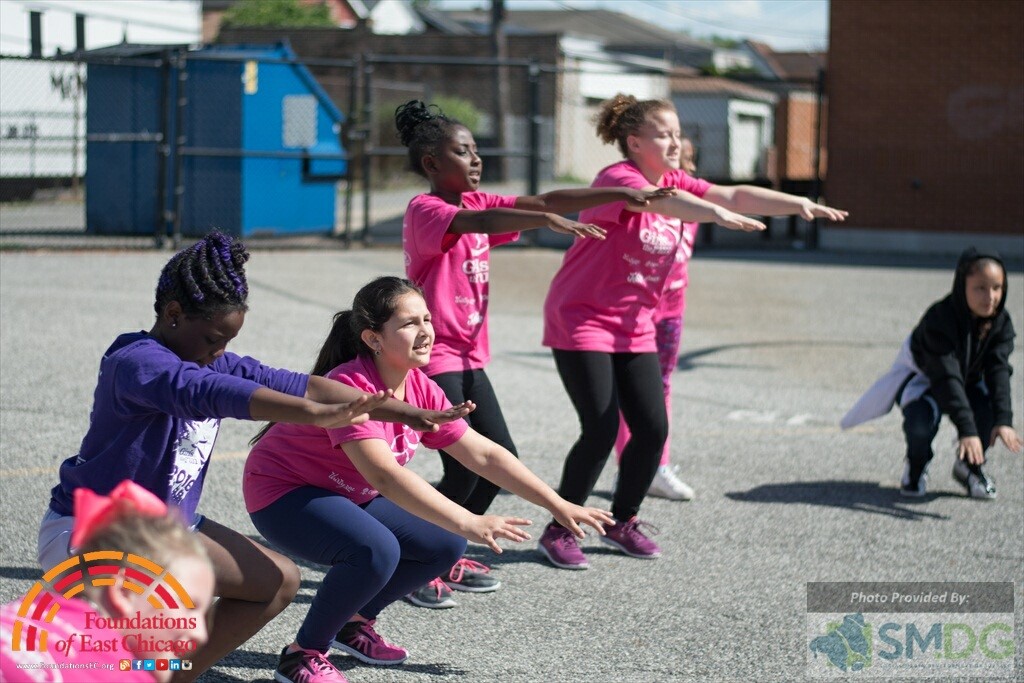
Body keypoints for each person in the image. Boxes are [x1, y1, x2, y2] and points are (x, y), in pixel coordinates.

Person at [36, 231, 470, 681]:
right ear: (172, 314)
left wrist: (406, 411)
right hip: (91, 531)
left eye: (227, 340)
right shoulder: (137, 362)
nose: (220, 351)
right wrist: (317, 416)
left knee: (277, 582)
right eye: (212, 338)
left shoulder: (208, 359)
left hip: (163, 531)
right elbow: (213, 393)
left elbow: (305, 383)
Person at [242, 276, 613, 683]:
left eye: (427, 319)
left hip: (344, 491)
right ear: (373, 338)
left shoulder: (422, 389)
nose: (426, 332)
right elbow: (384, 475)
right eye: (409, 323)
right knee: (375, 550)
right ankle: (302, 655)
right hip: (283, 491)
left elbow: (484, 453)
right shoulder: (352, 386)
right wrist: (469, 520)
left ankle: (353, 624)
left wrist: (556, 504)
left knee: (443, 544)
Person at [540, 93, 848, 569]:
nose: (675, 142)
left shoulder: (676, 181)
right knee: (600, 430)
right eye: (664, 134)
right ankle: (561, 528)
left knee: (652, 428)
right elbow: (664, 202)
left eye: (678, 133)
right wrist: (712, 213)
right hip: (582, 317)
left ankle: (623, 520)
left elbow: (732, 194)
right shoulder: (616, 180)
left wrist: (797, 203)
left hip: (635, 325)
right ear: (634, 141)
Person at [394, 99, 670, 605]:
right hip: (437, 358)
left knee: (502, 461)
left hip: (471, 357)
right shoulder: (428, 210)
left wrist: (619, 192)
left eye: (477, 151)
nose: (476, 160)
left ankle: (444, 550)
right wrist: (544, 221)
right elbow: (481, 225)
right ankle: (418, 560)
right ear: (433, 163)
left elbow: (548, 198)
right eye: (463, 152)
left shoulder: (478, 205)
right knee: (461, 467)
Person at [842, 247, 1020, 497]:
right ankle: (916, 465)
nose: (989, 297)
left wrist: (1003, 419)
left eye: (997, 288)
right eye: (980, 288)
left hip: (964, 379)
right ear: (962, 285)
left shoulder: (1000, 322)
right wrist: (967, 431)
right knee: (920, 421)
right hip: (926, 379)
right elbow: (945, 378)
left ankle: (969, 467)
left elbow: (998, 370)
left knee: (988, 407)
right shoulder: (940, 319)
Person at [2, 480, 215, 682]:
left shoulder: (30, 610)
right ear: (125, 591)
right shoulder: (120, 674)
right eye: (188, 606)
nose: (201, 633)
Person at [614, 135, 700, 501]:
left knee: (663, 385)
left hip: (671, 312)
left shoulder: (693, 209)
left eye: (686, 159)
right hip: (638, 312)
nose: (679, 163)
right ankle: (635, 466)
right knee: (628, 393)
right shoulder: (642, 202)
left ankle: (655, 465)